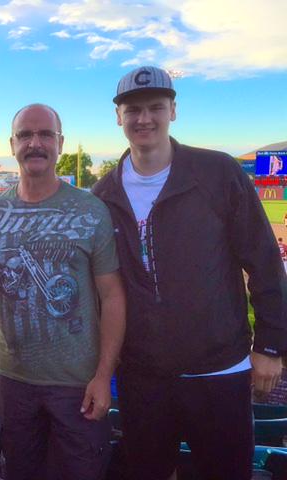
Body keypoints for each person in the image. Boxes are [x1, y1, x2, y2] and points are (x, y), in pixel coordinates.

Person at [92, 65, 287, 480]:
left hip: (218, 368)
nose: (144, 118)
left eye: (155, 108)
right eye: (134, 110)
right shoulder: (103, 194)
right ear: (118, 117)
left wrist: (271, 345)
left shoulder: (217, 171)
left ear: (173, 111)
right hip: (143, 374)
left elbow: (265, 261)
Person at [0, 104, 126, 480]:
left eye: (45, 135)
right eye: (25, 135)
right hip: (15, 382)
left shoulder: (90, 210)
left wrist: (103, 374)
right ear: (12, 144)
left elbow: (113, 296)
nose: (35, 143)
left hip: (77, 383)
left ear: (60, 143)